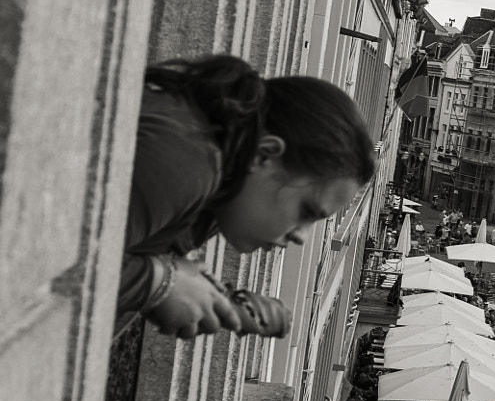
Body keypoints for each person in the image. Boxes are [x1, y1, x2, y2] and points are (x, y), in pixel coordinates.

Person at [122, 55, 375, 339]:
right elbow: (73, 254)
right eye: (307, 210)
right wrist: (158, 283)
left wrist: (204, 297)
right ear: (264, 155)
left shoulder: (217, 192)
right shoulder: (187, 163)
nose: (301, 237)